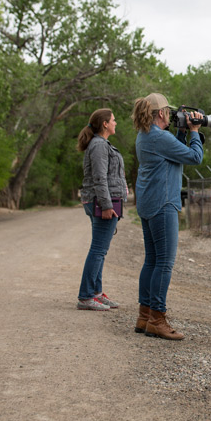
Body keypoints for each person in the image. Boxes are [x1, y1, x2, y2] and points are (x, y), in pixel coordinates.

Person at [132, 93, 203, 340]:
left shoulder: (145, 135)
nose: (172, 115)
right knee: (164, 263)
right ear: (161, 113)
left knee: (151, 261)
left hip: (149, 202)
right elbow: (194, 157)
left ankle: (145, 315)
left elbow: (173, 154)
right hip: (163, 204)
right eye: (169, 112)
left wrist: (182, 133)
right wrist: (194, 131)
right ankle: (157, 319)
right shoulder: (159, 137)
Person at [76, 108, 127, 311]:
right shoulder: (98, 145)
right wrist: (106, 205)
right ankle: (86, 296)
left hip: (104, 201)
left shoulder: (102, 144)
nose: (116, 123)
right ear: (105, 123)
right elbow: (99, 177)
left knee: (100, 250)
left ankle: (95, 293)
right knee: (98, 250)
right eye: (113, 120)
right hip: (101, 203)